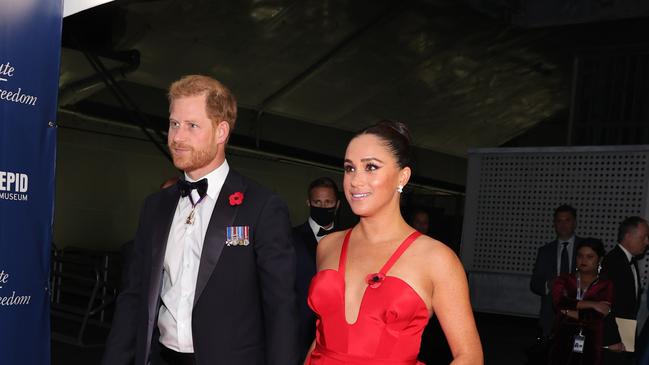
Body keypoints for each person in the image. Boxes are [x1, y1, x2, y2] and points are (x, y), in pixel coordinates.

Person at [101, 75, 298, 365]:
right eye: (174, 124)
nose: (177, 137)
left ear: (221, 132)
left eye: (192, 126)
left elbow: (281, 309)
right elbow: (133, 297)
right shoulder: (155, 207)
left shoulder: (262, 207)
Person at [305, 120, 483, 364]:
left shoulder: (436, 258)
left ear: (402, 176)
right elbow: (321, 338)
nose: (355, 180)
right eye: (349, 168)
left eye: (371, 167)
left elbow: (470, 356)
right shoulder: (328, 246)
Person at [293, 177, 341, 361]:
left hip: (336, 332)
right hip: (299, 330)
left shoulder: (350, 240)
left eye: (328, 202)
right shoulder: (290, 237)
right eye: (317, 202)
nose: (323, 206)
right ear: (308, 203)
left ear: (337, 204)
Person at [548, 238, 613, 365]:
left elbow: (598, 315)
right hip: (562, 337)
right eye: (580, 256)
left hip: (592, 341)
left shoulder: (606, 285)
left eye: (589, 256)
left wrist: (567, 311)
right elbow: (558, 302)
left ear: (599, 260)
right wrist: (593, 304)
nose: (583, 260)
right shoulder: (564, 279)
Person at [531, 205, 586, 341]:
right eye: (559, 221)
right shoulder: (545, 251)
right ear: (554, 224)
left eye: (567, 220)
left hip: (579, 315)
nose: (563, 225)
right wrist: (549, 284)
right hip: (551, 317)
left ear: (574, 223)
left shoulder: (586, 248)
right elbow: (534, 284)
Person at [601, 216, 649, 365]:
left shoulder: (630, 260)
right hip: (614, 338)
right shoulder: (613, 262)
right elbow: (605, 305)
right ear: (628, 237)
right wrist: (610, 343)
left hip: (625, 333)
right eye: (644, 237)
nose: (647, 242)